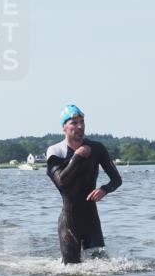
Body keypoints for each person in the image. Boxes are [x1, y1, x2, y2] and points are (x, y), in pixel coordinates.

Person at [46, 105, 122, 264]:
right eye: (74, 123)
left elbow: (117, 179)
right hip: (69, 221)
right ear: (64, 127)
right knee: (71, 269)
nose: (80, 126)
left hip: (91, 220)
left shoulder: (97, 148)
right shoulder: (55, 151)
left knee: (101, 267)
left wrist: (104, 189)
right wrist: (77, 157)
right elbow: (61, 182)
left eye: (82, 122)